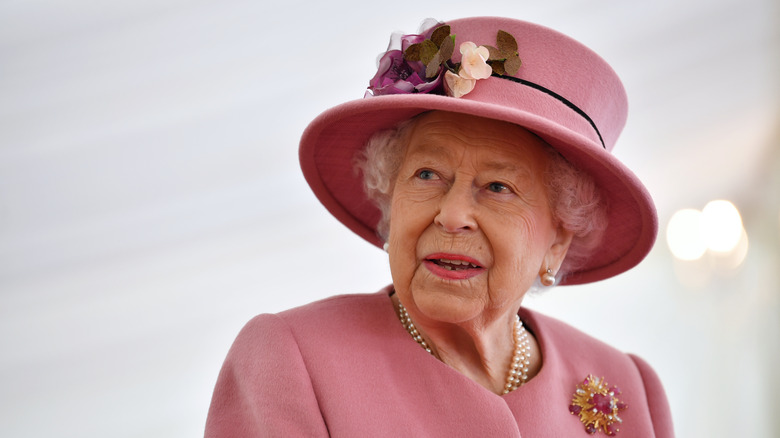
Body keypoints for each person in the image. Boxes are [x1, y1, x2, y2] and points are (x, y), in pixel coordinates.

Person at [205, 16, 674, 437]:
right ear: (391, 201)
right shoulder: (293, 359)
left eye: (497, 187)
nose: (451, 215)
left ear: (558, 239)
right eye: (427, 175)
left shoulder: (627, 386)